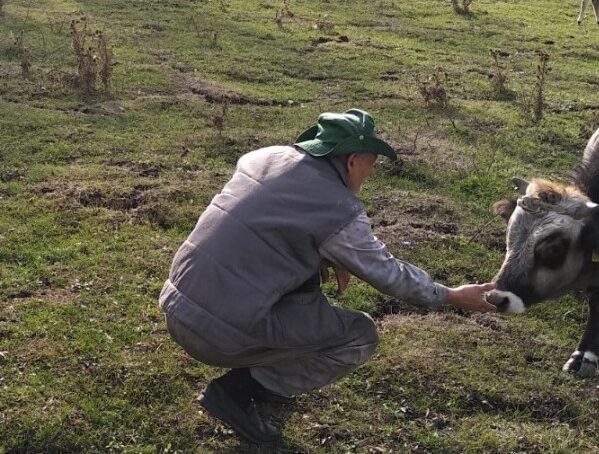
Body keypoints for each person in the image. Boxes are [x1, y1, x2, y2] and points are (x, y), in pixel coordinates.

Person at [159, 109, 497, 444]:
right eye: (371, 160)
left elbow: (272, 230)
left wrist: (325, 254)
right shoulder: (338, 209)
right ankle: (237, 391)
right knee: (358, 335)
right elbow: (387, 272)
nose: (373, 169)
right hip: (215, 334)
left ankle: (258, 383)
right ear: (351, 161)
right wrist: (449, 295)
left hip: (177, 305)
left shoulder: (263, 159)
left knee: (309, 290)